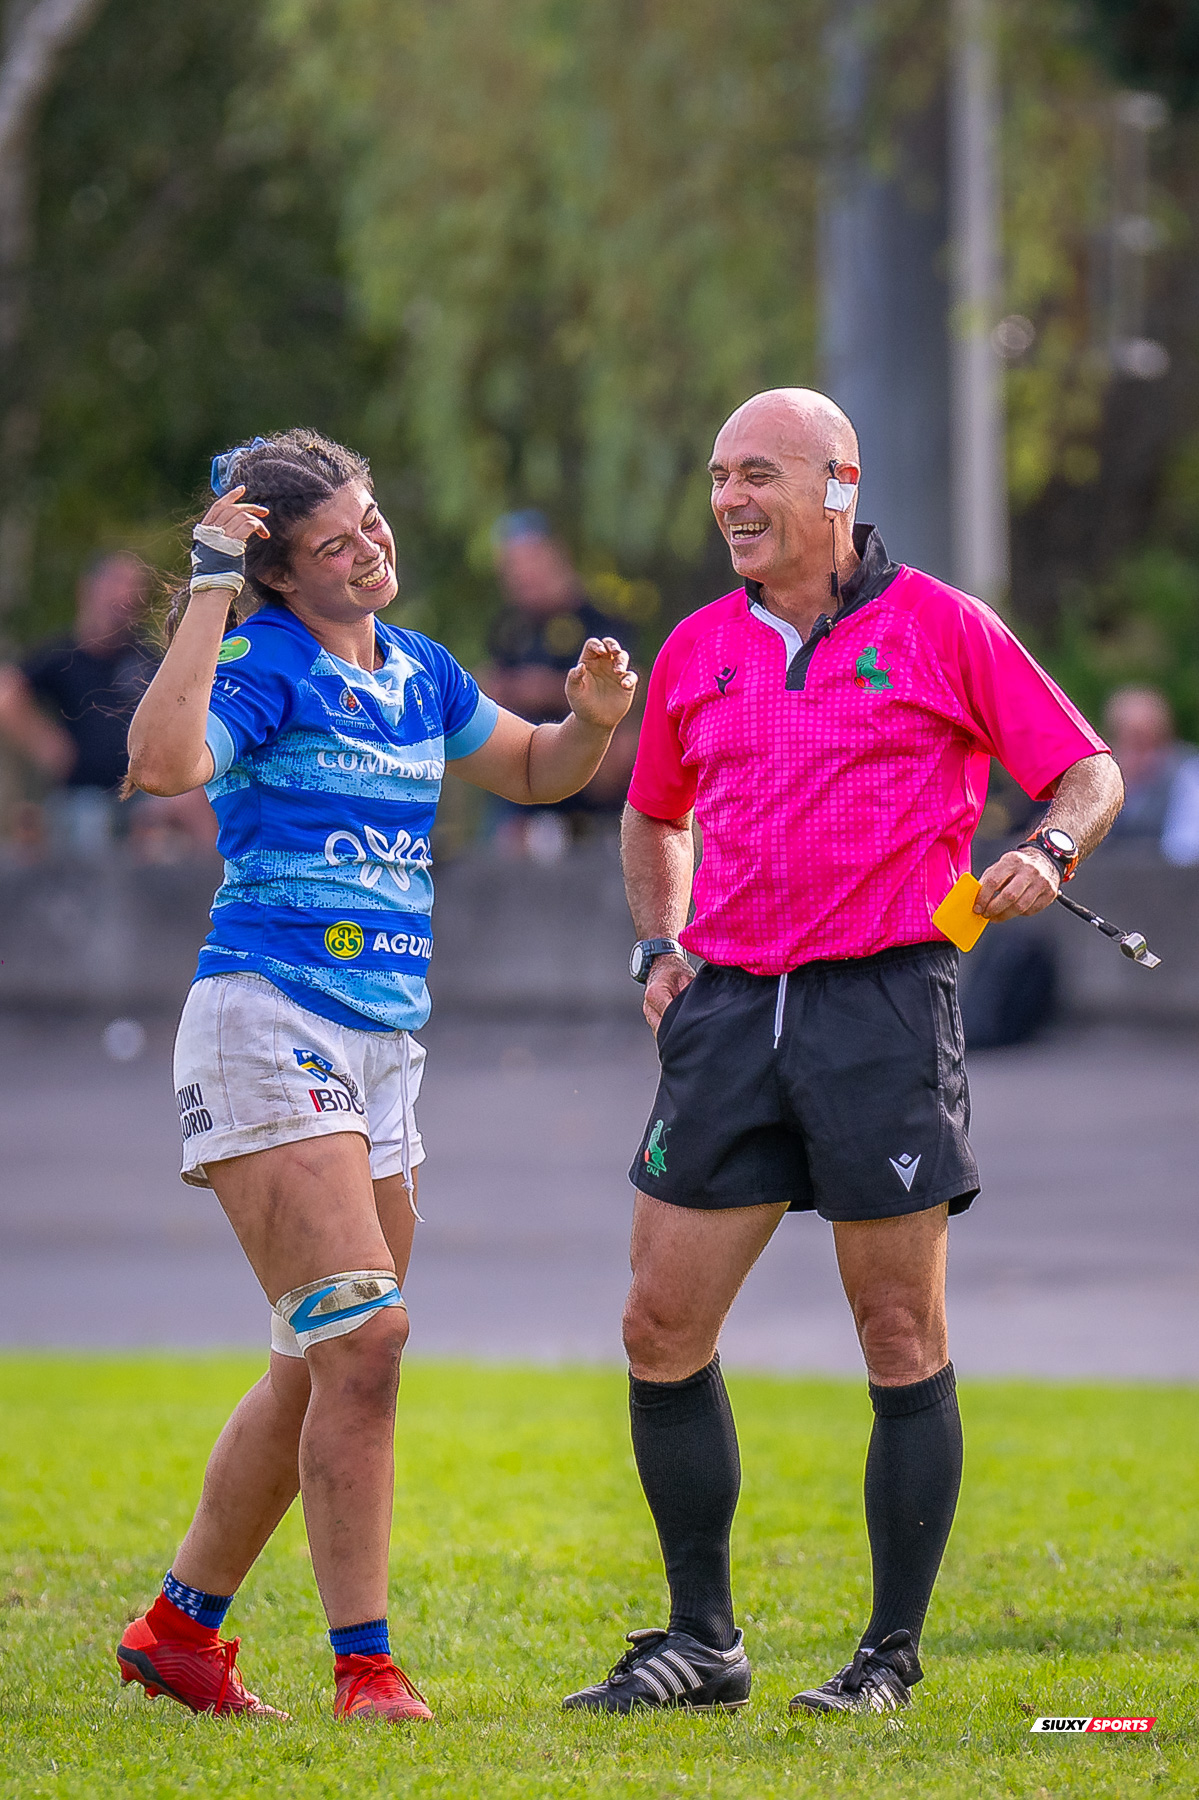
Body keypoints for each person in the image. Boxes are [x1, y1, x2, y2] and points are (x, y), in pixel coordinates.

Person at [562, 388, 1122, 1717]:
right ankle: (700, 1642)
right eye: (716, 477)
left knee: (892, 1323)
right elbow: (651, 821)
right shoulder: (696, 646)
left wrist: (1043, 851)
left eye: (757, 474)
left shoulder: (941, 629)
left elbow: (1085, 771)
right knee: (655, 1323)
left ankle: (886, 1657)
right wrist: (656, 947)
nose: (729, 500)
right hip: (723, 1010)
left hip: (881, 1003)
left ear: (836, 486)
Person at [117, 430, 636, 1722]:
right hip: (267, 1019)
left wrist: (590, 722)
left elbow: (532, 769)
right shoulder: (260, 662)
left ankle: (179, 1633)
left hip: (382, 1048)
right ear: (283, 574)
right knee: (369, 1338)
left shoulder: (417, 671)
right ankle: (367, 1670)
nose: (370, 547)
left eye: (372, 520)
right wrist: (210, 589)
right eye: (336, 542)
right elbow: (161, 767)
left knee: (318, 1359)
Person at [0, 553, 215, 857]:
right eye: (116, 586)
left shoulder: (147, 658)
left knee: (187, 807)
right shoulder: (64, 656)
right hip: (82, 795)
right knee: (86, 832)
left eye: (132, 589)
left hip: (144, 797)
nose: (124, 597)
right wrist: (46, 745)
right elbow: (7, 692)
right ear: (88, 590)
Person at [479, 510, 639, 854]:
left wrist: (550, 689)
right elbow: (491, 687)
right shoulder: (511, 628)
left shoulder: (598, 621)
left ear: (553, 556)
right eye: (510, 569)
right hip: (529, 773)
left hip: (591, 770)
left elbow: (632, 691)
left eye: (527, 564)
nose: (519, 577)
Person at [1101, 685, 1199, 865]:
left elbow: (1185, 849)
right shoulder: (1097, 775)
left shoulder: (1186, 773)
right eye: (1128, 735)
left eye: (1144, 735)